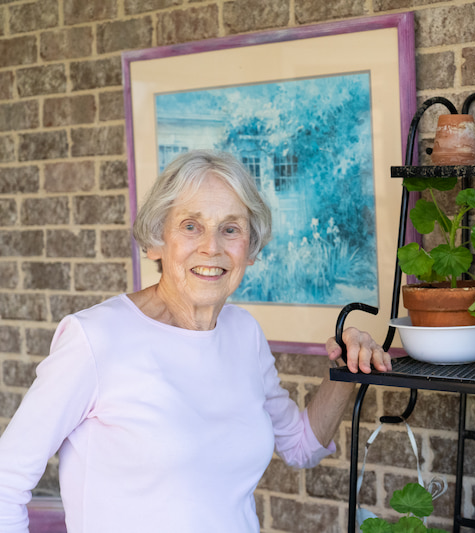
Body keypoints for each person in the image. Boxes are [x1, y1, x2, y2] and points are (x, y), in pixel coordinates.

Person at [0, 149, 391, 532]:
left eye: (231, 228)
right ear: (157, 240)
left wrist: (346, 369)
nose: (212, 247)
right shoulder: (95, 338)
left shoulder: (243, 333)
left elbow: (302, 446)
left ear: (249, 249)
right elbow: (6, 484)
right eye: (191, 225)